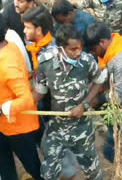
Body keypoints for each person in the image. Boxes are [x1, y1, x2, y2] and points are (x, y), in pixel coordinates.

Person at [33, 24, 104, 180]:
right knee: (48, 173)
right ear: (60, 48)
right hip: (56, 129)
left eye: (80, 47)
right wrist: (18, 105)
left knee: (92, 171)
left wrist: (84, 105)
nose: (78, 52)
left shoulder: (87, 61)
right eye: (73, 49)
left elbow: (99, 81)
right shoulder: (45, 63)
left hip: (81, 129)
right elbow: (40, 91)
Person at [84, 21, 122, 179]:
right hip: (120, 113)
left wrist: (97, 100)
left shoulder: (121, 59)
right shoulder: (110, 52)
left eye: (94, 49)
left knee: (110, 149)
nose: (94, 54)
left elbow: (119, 95)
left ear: (102, 42)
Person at [0, 13, 43, 180]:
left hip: (18, 127)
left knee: (33, 167)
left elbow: (25, 98)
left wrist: (3, 109)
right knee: (5, 166)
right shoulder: (9, 46)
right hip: (4, 125)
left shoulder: (7, 64)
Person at [22, 6, 55, 71]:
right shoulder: (34, 45)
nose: (24, 31)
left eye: (28, 28)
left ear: (38, 30)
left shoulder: (51, 55)